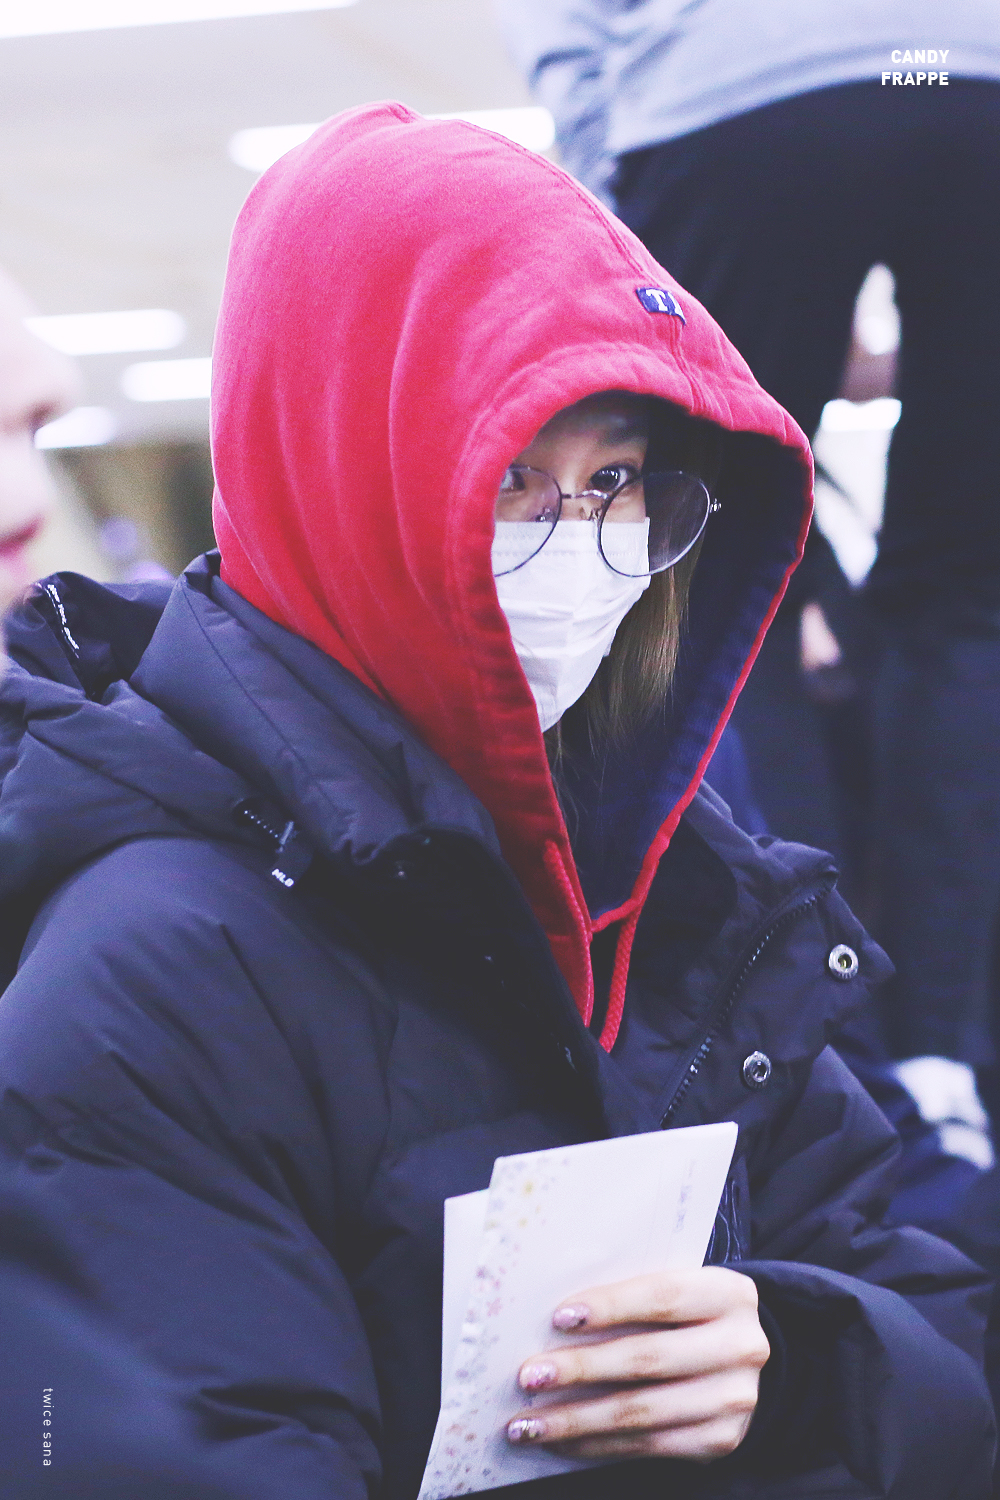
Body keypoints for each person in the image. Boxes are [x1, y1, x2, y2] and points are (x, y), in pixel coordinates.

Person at [0, 105, 994, 1498]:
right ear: (345, 476)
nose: (579, 552)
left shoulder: (671, 890)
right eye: (514, 482)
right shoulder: (155, 973)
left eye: (616, 482)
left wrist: (798, 1362)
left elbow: (933, 1322)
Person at [497, 0, 1000, 1087]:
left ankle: (832, 1042)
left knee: (722, 589)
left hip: (736, 90)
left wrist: (616, 210)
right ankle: (944, 1058)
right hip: (973, 75)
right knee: (969, 601)